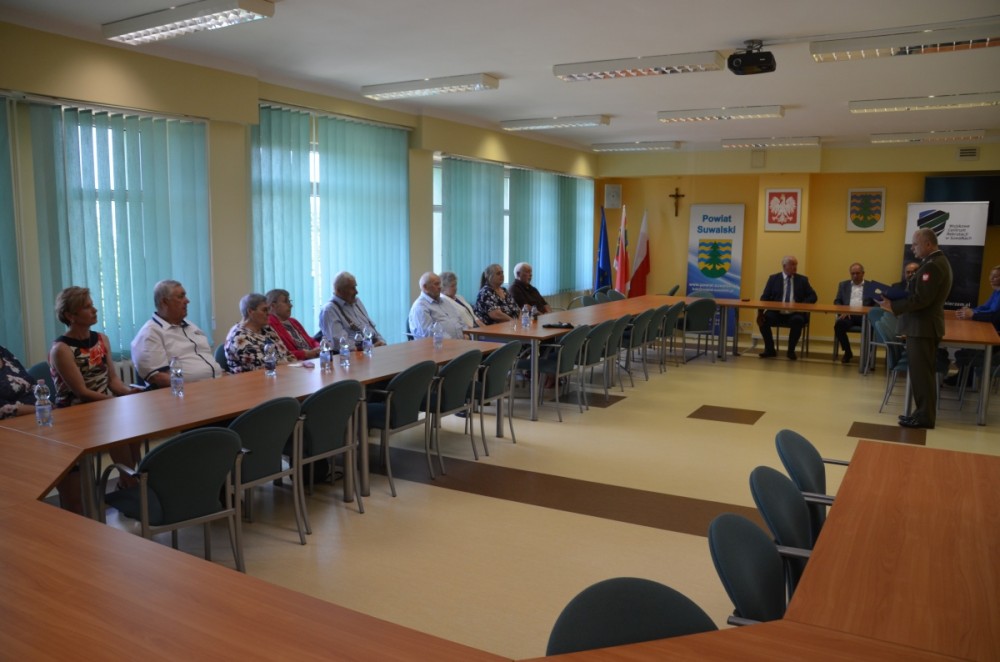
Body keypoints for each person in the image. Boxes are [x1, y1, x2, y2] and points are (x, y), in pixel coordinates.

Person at [50, 286, 142, 497]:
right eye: (87, 307)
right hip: (74, 412)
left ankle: (128, 478)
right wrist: (115, 403)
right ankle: (130, 483)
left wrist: (130, 394)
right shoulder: (61, 349)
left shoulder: (101, 339)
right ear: (70, 316)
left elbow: (113, 381)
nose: (94, 310)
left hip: (103, 406)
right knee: (117, 426)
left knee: (137, 419)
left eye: (92, 305)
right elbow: (82, 393)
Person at [878, 228, 953, 430]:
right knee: (922, 374)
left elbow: (922, 299)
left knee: (922, 375)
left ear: (928, 244)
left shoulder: (932, 266)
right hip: (923, 327)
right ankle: (921, 414)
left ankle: (924, 417)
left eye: (915, 244)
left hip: (922, 328)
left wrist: (893, 306)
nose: (912, 248)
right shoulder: (935, 262)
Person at [131, 279, 219, 387]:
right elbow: (158, 378)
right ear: (164, 302)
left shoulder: (191, 326)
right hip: (186, 392)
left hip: (215, 385)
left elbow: (209, 361)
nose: (187, 301)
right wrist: (193, 388)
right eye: (181, 297)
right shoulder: (150, 333)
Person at [757, 256, 817, 360]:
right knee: (763, 320)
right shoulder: (773, 279)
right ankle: (770, 349)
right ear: (785, 266)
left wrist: (801, 305)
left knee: (798, 320)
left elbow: (813, 296)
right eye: (792, 264)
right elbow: (764, 297)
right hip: (776, 312)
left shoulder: (802, 280)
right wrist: (760, 313)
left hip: (795, 312)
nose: (795, 267)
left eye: (796, 264)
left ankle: (791, 351)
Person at [224, 293, 292, 373]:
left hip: (281, 374)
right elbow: (262, 367)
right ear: (250, 311)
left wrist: (294, 365)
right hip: (253, 379)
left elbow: (288, 355)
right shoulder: (239, 337)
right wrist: (288, 366)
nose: (269, 313)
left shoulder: (267, 329)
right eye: (264, 310)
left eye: (269, 309)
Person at [319, 272, 386, 346]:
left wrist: (382, 342)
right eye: (352, 288)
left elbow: (371, 327)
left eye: (355, 287)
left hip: (374, 348)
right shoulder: (329, 310)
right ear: (339, 290)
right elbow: (339, 342)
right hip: (357, 352)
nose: (356, 292)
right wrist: (370, 347)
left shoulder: (356, 302)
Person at [833, 262, 879, 363]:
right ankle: (848, 352)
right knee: (838, 326)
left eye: (857, 273)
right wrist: (843, 310)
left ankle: (868, 356)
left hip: (865, 317)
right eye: (852, 273)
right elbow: (837, 301)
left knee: (871, 328)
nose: (855, 276)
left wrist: (870, 312)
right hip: (849, 315)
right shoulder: (843, 285)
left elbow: (877, 303)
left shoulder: (870, 286)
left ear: (863, 273)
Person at [408, 272, 469, 340]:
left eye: (440, 284)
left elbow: (460, 320)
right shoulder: (420, 307)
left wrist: (465, 333)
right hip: (441, 345)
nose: (440, 287)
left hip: (460, 342)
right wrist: (452, 341)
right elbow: (428, 335)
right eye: (436, 284)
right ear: (425, 287)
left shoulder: (446, 302)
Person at [266, 289, 321, 360]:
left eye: (289, 301)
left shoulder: (293, 321)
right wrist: (306, 354)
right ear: (273, 306)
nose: (290, 305)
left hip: (312, 359)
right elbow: (280, 354)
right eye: (286, 302)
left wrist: (318, 347)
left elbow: (311, 341)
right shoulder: (269, 325)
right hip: (295, 363)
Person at [0, 345, 34, 420]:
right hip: (11, 422)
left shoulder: (3, 351)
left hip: (34, 414)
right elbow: (5, 410)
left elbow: (29, 381)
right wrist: (39, 408)